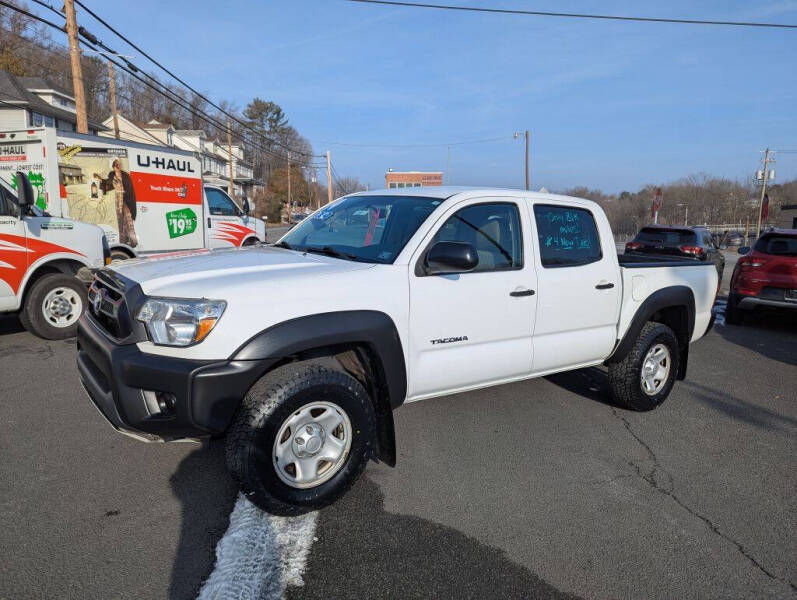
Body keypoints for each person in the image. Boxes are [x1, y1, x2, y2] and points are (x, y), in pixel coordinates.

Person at [94, 159, 137, 247]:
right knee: (120, 220)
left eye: (119, 164)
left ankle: (133, 241)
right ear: (114, 166)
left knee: (128, 220)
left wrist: (128, 198)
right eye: (116, 164)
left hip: (127, 199)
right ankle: (123, 242)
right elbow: (108, 184)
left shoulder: (125, 175)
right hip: (118, 199)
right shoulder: (112, 174)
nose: (118, 166)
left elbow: (130, 188)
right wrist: (100, 179)